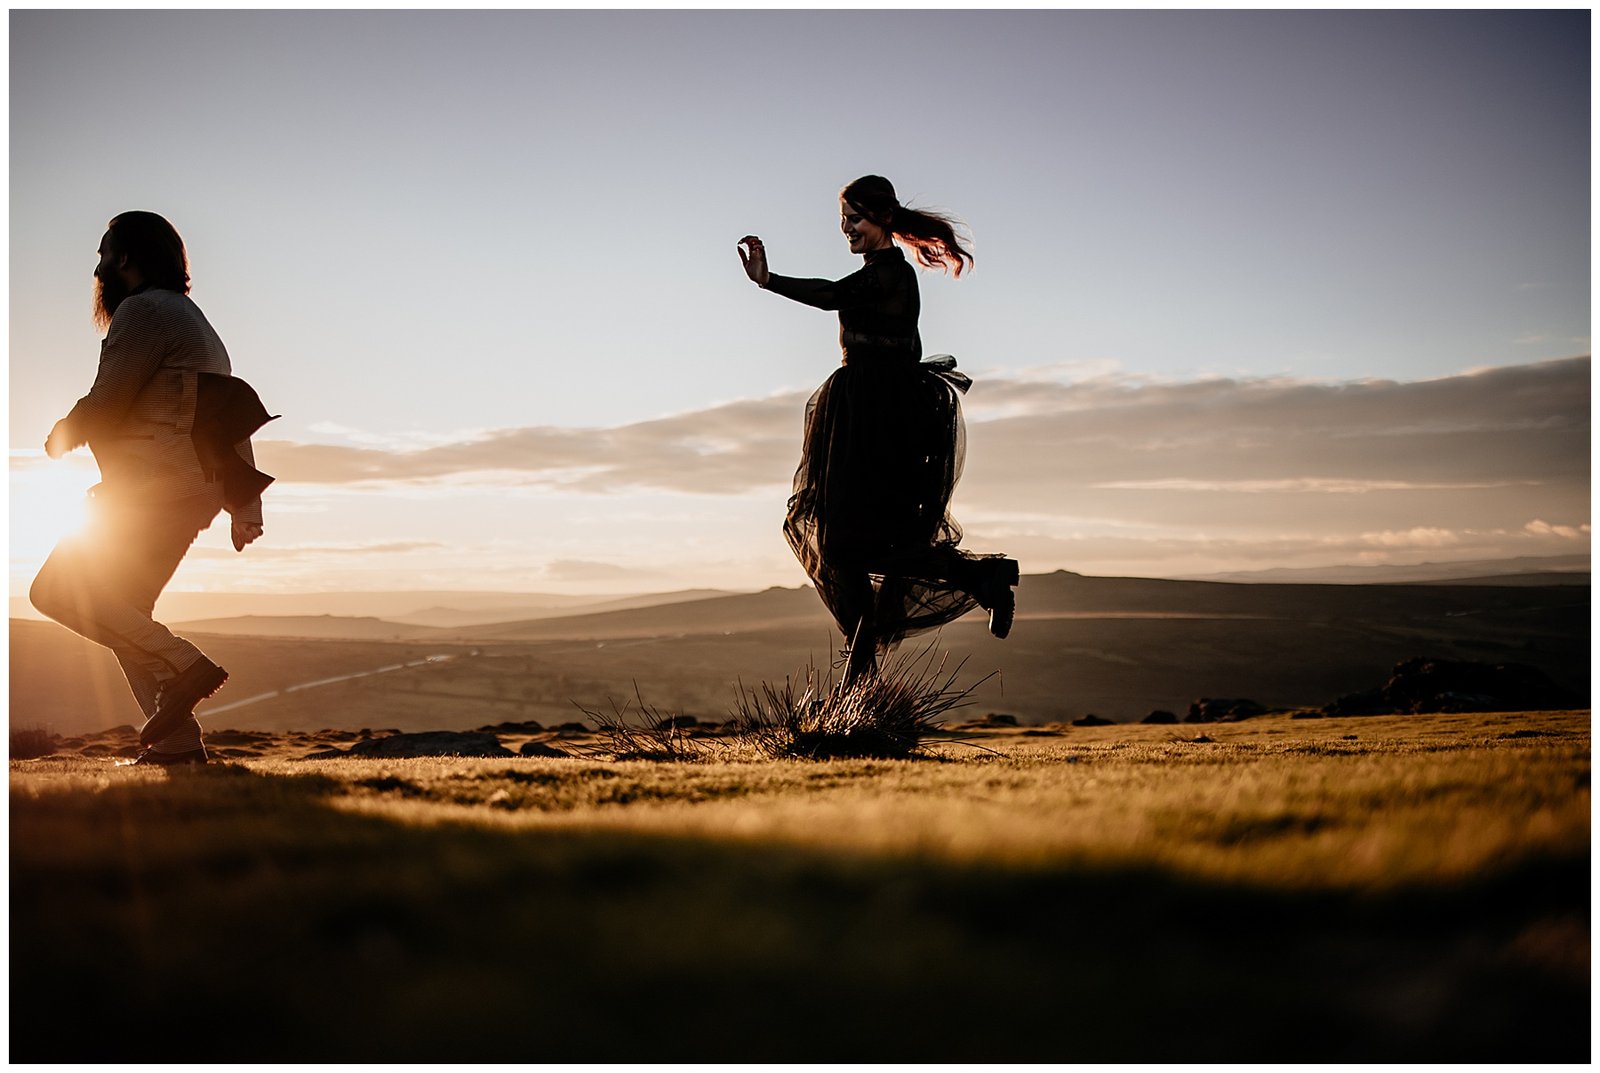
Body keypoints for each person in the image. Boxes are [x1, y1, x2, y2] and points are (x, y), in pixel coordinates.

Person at [738, 175, 1019, 684]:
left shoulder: (891, 273)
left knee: (851, 544)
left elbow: (831, 296)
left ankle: (863, 678)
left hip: (881, 417)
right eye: (843, 220)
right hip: (861, 411)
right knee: (855, 545)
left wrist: (768, 280)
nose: (847, 229)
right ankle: (975, 581)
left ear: (883, 220)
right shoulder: (877, 271)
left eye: (855, 219)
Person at [30, 211, 273, 765]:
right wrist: (244, 505)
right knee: (125, 613)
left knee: (54, 592)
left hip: (153, 490)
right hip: (190, 492)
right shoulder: (195, 320)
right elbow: (228, 419)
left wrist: (62, 433)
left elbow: (109, 398)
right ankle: (179, 748)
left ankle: (188, 664)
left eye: (103, 253)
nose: (97, 266)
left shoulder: (144, 311)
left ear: (126, 257)